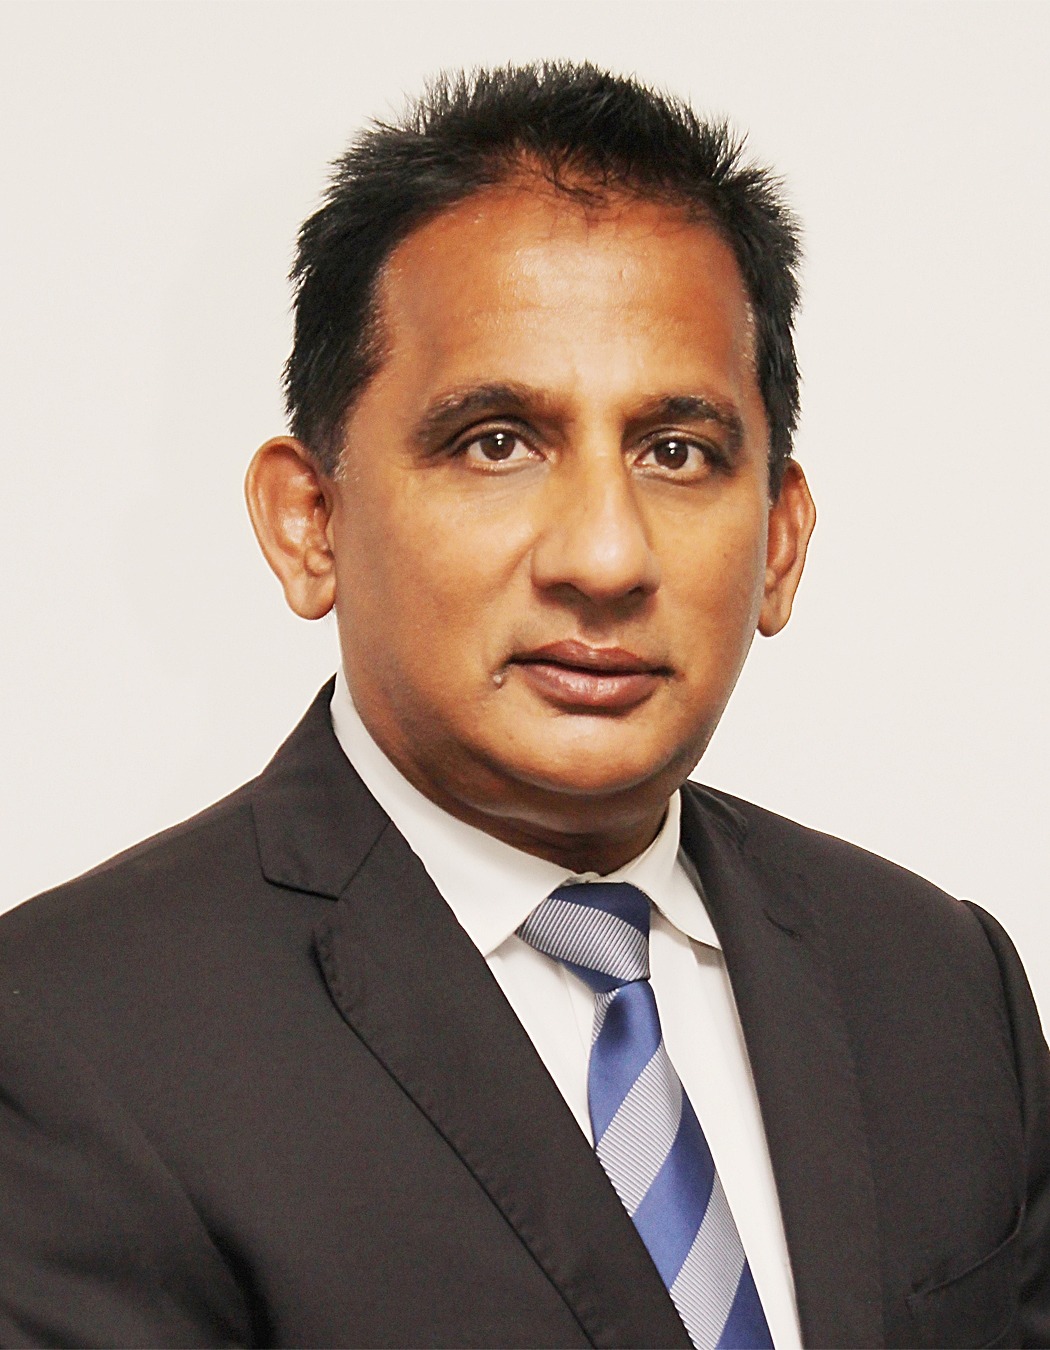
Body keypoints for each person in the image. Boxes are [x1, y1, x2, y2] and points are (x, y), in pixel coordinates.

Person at [0, 61, 1047, 1350]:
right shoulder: (67, 1041)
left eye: (678, 452)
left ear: (780, 542)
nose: (603, 556)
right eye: (496, 441)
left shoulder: (937, 984)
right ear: (309, 522)